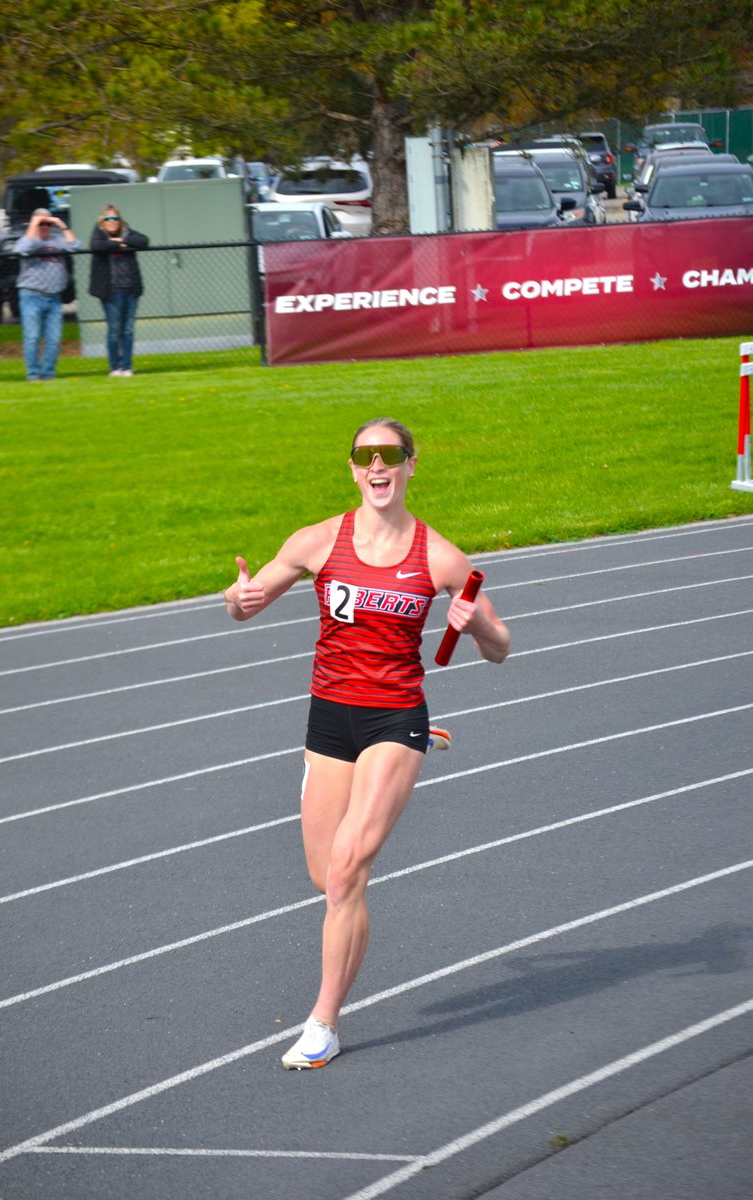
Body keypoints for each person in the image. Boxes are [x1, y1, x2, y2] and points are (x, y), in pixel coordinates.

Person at [224, 418, 510, 1069]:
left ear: (410, 465)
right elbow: (245, 604)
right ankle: (409, 751)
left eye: (390, 455)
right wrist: (237, 598)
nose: (376, 466)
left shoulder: (439, 557)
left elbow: (500, 647)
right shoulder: (319, 540)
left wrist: (474, 630)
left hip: (392, 715)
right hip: (329, 720)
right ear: (353, 467)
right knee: (326, 878)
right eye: (364, 455)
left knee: (350, 865)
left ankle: (322, 1022)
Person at [14, 208, 79, 381]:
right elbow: (23, 250)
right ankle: (33, 374)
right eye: (41, 223)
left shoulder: (57, 239)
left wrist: (61, 225)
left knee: (53, 339)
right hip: (31, 296)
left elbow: (74, 246)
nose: (45, 227)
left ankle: (49, 373)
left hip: (54, 297)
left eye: (47, 223)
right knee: (33, 337)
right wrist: (34, 224)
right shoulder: (26, 240)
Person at [88, 204, 149, 377]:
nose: (112, 222)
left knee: (128, 330)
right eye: (108, 219)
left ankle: (127, 366)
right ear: (102, 221)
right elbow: (96, 246)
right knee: (114, 330)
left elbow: (144, 241)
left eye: (115, 218)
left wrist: (122, 240)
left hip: (130, 289)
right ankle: (115, 367)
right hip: (111, 291)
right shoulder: (99, 233)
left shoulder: (127, 232)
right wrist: (114, 243)